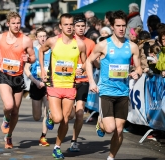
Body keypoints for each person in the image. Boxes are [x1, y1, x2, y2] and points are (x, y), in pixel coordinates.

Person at [86, 10, 142, 160]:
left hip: (123, 92)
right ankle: (101, 122)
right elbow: (88, 61)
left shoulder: (132, 46)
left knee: (119, 130)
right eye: (118, 25)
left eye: (124, 25)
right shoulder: (103, 45)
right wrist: (92, 81)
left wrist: (137, 72)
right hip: (106, 91)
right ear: (112, 26)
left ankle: (111, 157)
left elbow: (139, 67)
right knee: (110, 128)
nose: (122, 28)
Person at [39, 13, 86, 159]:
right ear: (60, 26)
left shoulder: (79, 44)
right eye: (66, 24)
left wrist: (82, 68)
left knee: (66, 119)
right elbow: (41, 50)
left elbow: (85, 62)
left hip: (70, 86)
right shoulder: (53, 41)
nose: (70, 27)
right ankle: (50, 116)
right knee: (58, 118)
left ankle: (57, 147)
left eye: (71, 24)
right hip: (54, 85)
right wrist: (42, 70)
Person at [0, 12, 35, 149]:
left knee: (15, 111)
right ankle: (5, 119)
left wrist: (29, 59)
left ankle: (9, 136)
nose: (16, 25)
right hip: (4, 75)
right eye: (13, 23)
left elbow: (33, 57)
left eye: (18, 23)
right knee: (9, 106)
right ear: (8, 24)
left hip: (18, 77)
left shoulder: (26, 40)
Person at [69, 16, 95, 152]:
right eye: (78, 26)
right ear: (73, 27)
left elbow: (94, 60)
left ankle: (74, 141)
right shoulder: (67, 41)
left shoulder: (90, 43)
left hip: (83, 81)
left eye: (82, 26)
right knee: (69, 114)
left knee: (79, 113)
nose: (80, 28)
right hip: (68, 81)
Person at [24, 28, 51, 147]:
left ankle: (43, 137)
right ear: (36, 38)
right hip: (36, 84)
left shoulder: (52, 51)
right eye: (40, 36)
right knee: (36, 116)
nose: (43, 38)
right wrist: (35, 81)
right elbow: (26, 69)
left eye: (44, 36)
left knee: (47, 112)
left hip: (48, 85)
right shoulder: (33, 52)